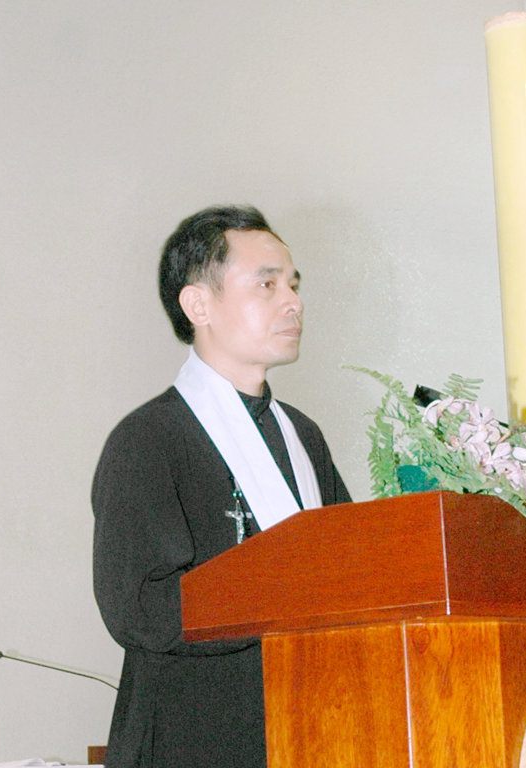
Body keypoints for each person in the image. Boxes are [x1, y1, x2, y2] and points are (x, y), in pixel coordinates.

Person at [92, 205, 351, 768]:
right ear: (198, 305)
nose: (293, 302)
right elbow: (138, 607)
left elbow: (348, 569)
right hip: (192, 735)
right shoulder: (149, 439)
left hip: (308, 725)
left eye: (293, 284)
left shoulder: (304, 437)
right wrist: (284, 589)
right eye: (267, 284)